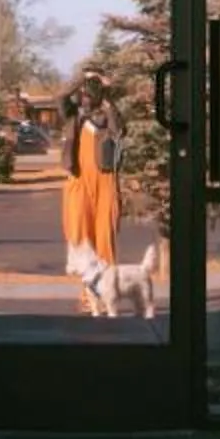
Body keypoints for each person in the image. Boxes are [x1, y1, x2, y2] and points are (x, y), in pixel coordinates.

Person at [59, 71, 124, 314]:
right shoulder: (72, 115)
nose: (85, 97)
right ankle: (88, 294)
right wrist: (82, 76)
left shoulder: (109, 116)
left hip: (105, 182)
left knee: (104, 239)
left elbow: (119, 131)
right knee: (81, 237)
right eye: (83, 93)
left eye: (89, 93)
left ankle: (105, 294)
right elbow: (61, 95)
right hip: (78, 181)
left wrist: (108, 98)